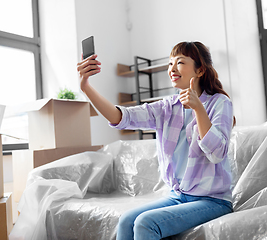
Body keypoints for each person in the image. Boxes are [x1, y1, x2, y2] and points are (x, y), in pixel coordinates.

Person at [77, 41, 235, 240]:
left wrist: (198, 109)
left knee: (146, 223)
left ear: (200, 69)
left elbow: (217, 153)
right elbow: (121, 117)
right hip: (178, 196)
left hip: (213, 200)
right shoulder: (168, 107)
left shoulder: (220, 103)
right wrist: (85, 87)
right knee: (126, 220)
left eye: (180, 62)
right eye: (170, 64)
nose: (172, 69)